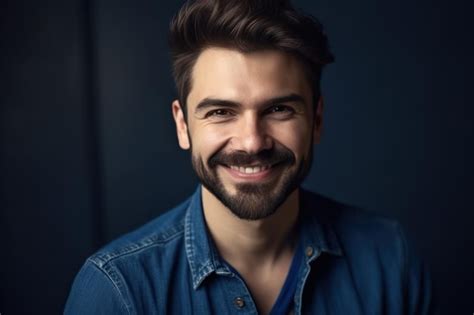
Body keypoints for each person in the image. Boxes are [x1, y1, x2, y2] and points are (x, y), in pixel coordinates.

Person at [65, 0, 435, 314]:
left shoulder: (389, 259)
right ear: (183, 125)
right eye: (221, 112)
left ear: (317, 119)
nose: (252, 142)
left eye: (278, 109)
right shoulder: (118, 290)